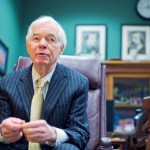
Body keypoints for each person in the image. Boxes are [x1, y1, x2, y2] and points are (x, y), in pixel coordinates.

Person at [0, 16, 90, 150]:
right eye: (36, 38)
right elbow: (3, 131)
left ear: (61, 49)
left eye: (50, 39)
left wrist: (53, 134)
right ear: (28, 46)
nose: (42, 44)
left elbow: (80, 135)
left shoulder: (78, 83)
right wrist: (3, 134)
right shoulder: (6, 83)